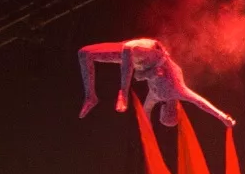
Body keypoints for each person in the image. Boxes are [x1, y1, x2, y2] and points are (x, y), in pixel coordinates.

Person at [78, 38, 235, 127]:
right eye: (169, 115)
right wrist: (222, 117)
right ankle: (123, 94)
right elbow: (201, 103)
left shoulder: (155, 96)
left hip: (135, 59)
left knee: (85, 53)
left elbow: (138, 78)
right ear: (173, 110)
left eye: (165, 115)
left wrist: (149, 73)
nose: (166, 112)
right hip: (150, 53)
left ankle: (91, 97)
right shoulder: (179, 91)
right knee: (127, 49)